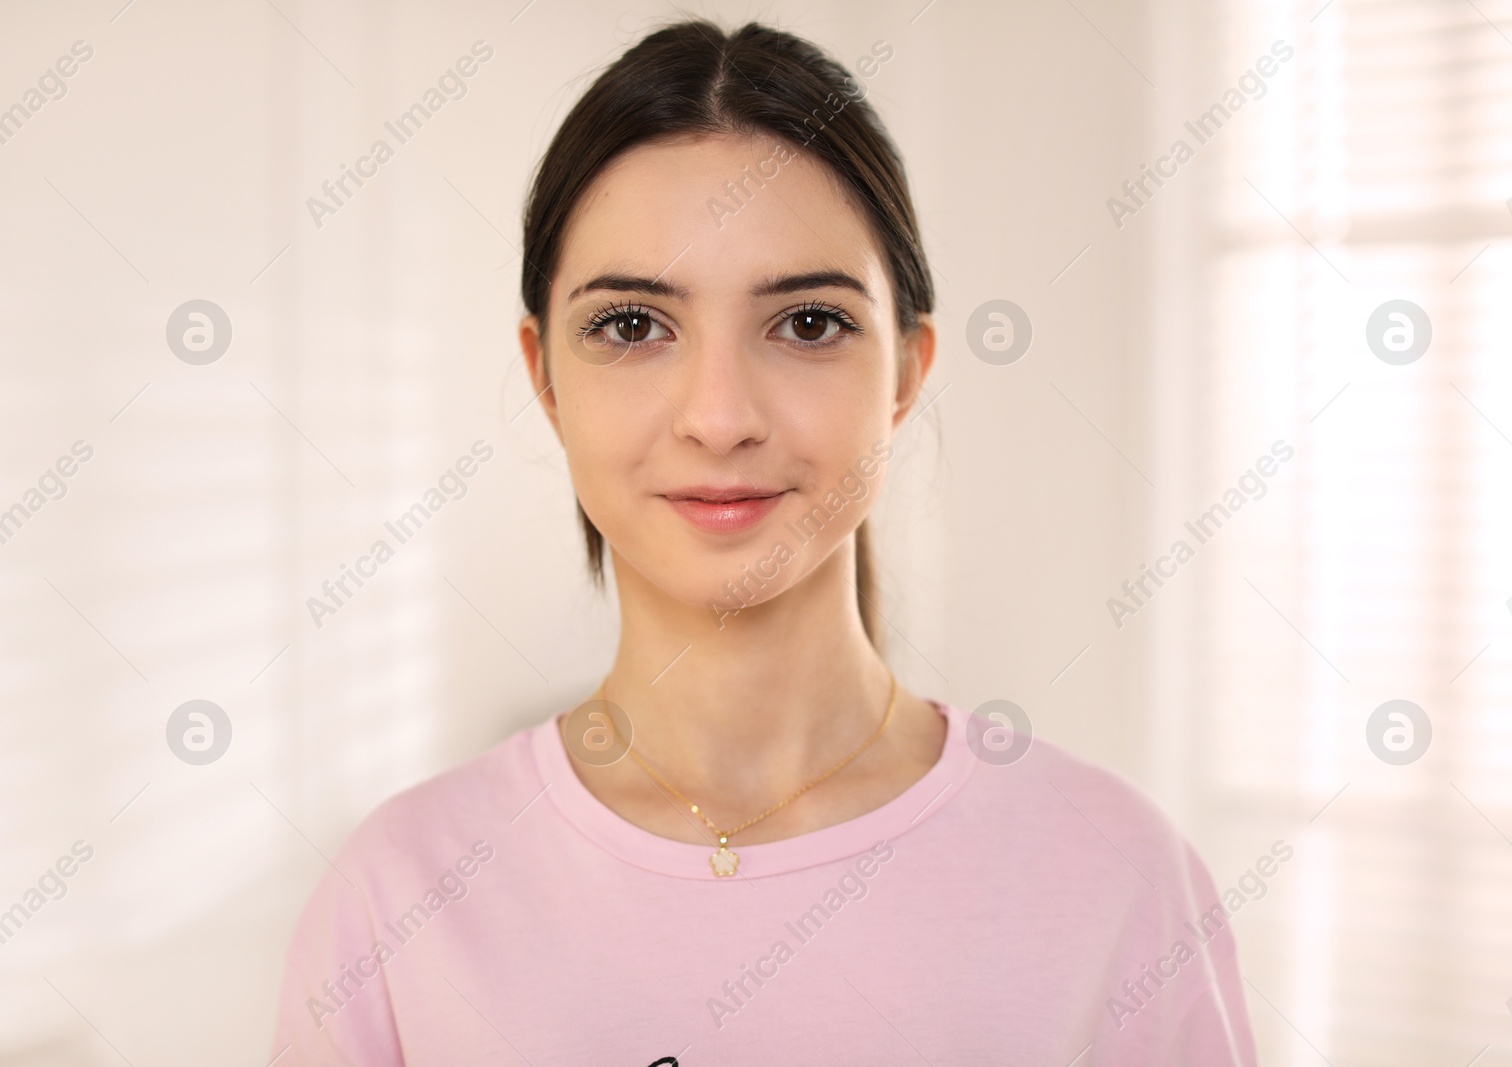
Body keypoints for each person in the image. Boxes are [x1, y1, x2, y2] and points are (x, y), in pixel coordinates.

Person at [273, 19, 1258, 1065]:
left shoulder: (1118, 880)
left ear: (906, 373)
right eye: (632, 325)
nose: (718, 415)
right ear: (544, 376)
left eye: (807, 323)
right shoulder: (398, 897)